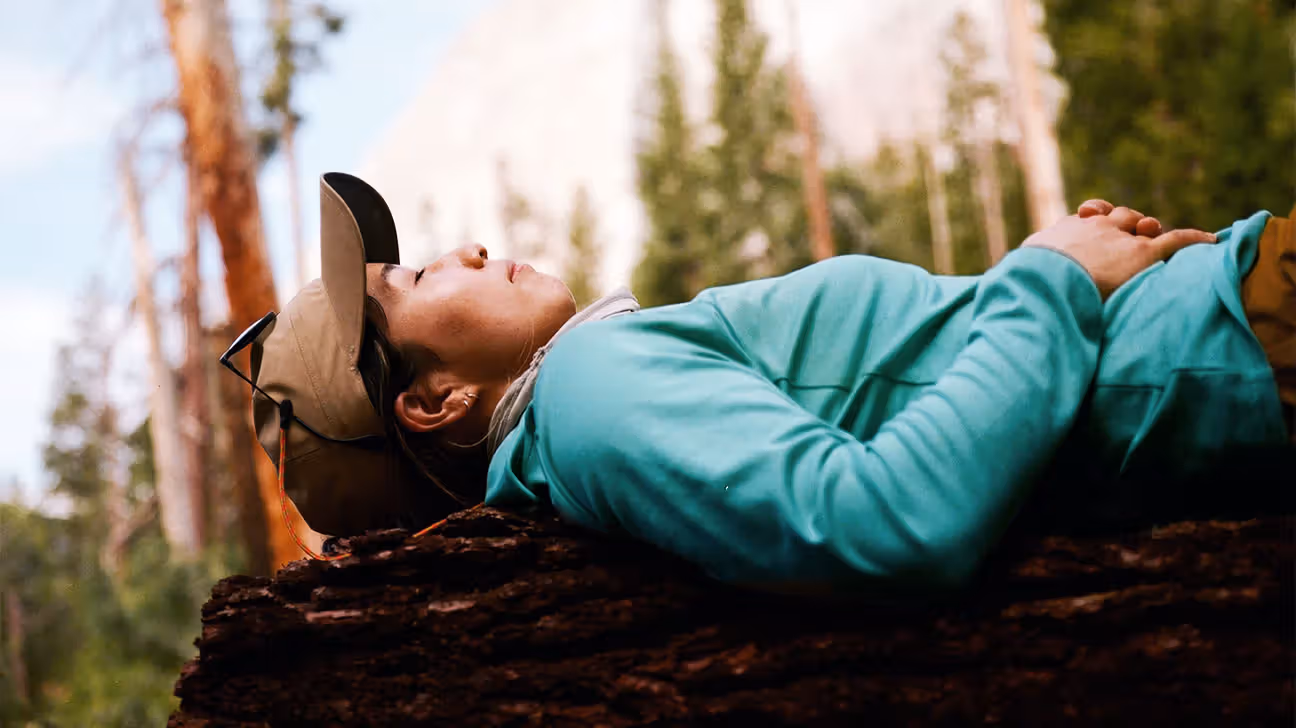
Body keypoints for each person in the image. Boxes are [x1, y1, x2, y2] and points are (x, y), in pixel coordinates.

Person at [233, 172, 1293, 595]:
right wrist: (1053, 275)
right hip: (1234, 343)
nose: (461, 246)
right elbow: (883, 519)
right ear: (432, 401)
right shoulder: (590, 389)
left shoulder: (587, 402)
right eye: (414, 278)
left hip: (1222, 326)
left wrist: (1056, 277)